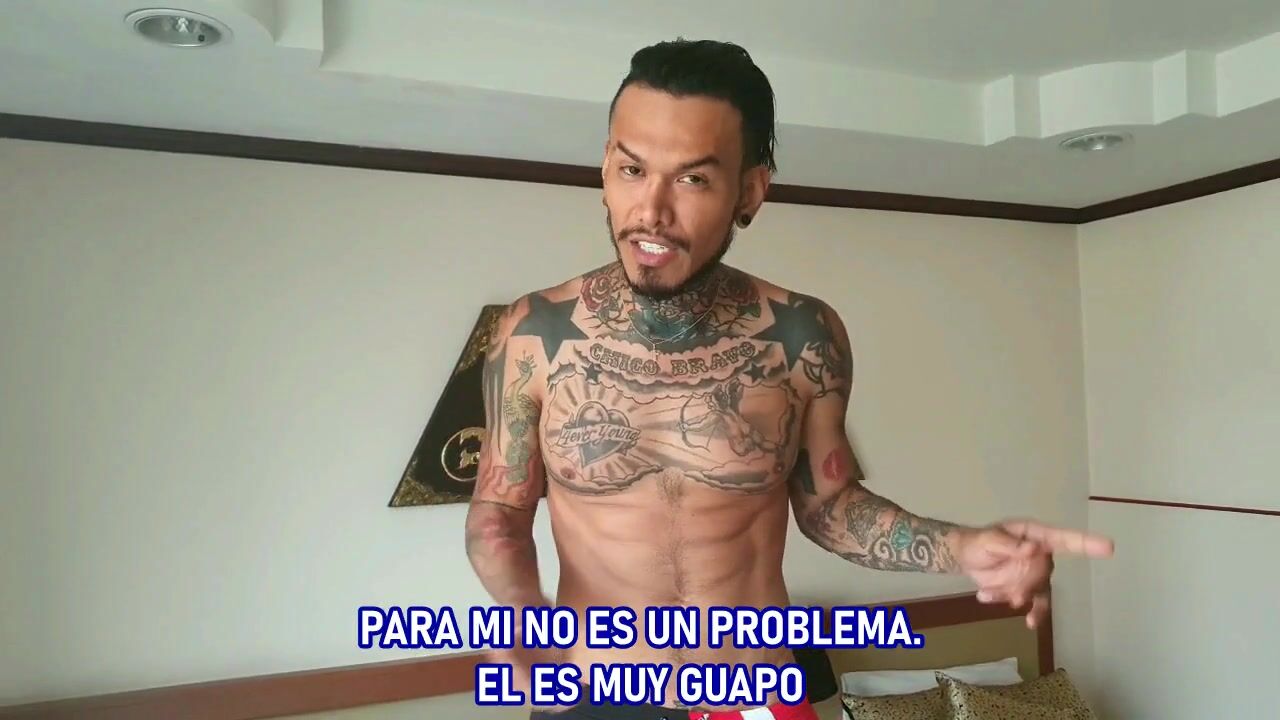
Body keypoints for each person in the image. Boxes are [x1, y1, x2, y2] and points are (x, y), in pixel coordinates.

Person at [464, 38, 1114, 720]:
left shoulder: (801, 335)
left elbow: (830, 506)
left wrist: (963, 548)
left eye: (692, 179)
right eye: (631, 169)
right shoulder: (534, 334)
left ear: (749, 191)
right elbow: (499, 512)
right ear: (605, 167)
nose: (650, 210)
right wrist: (520, 618)